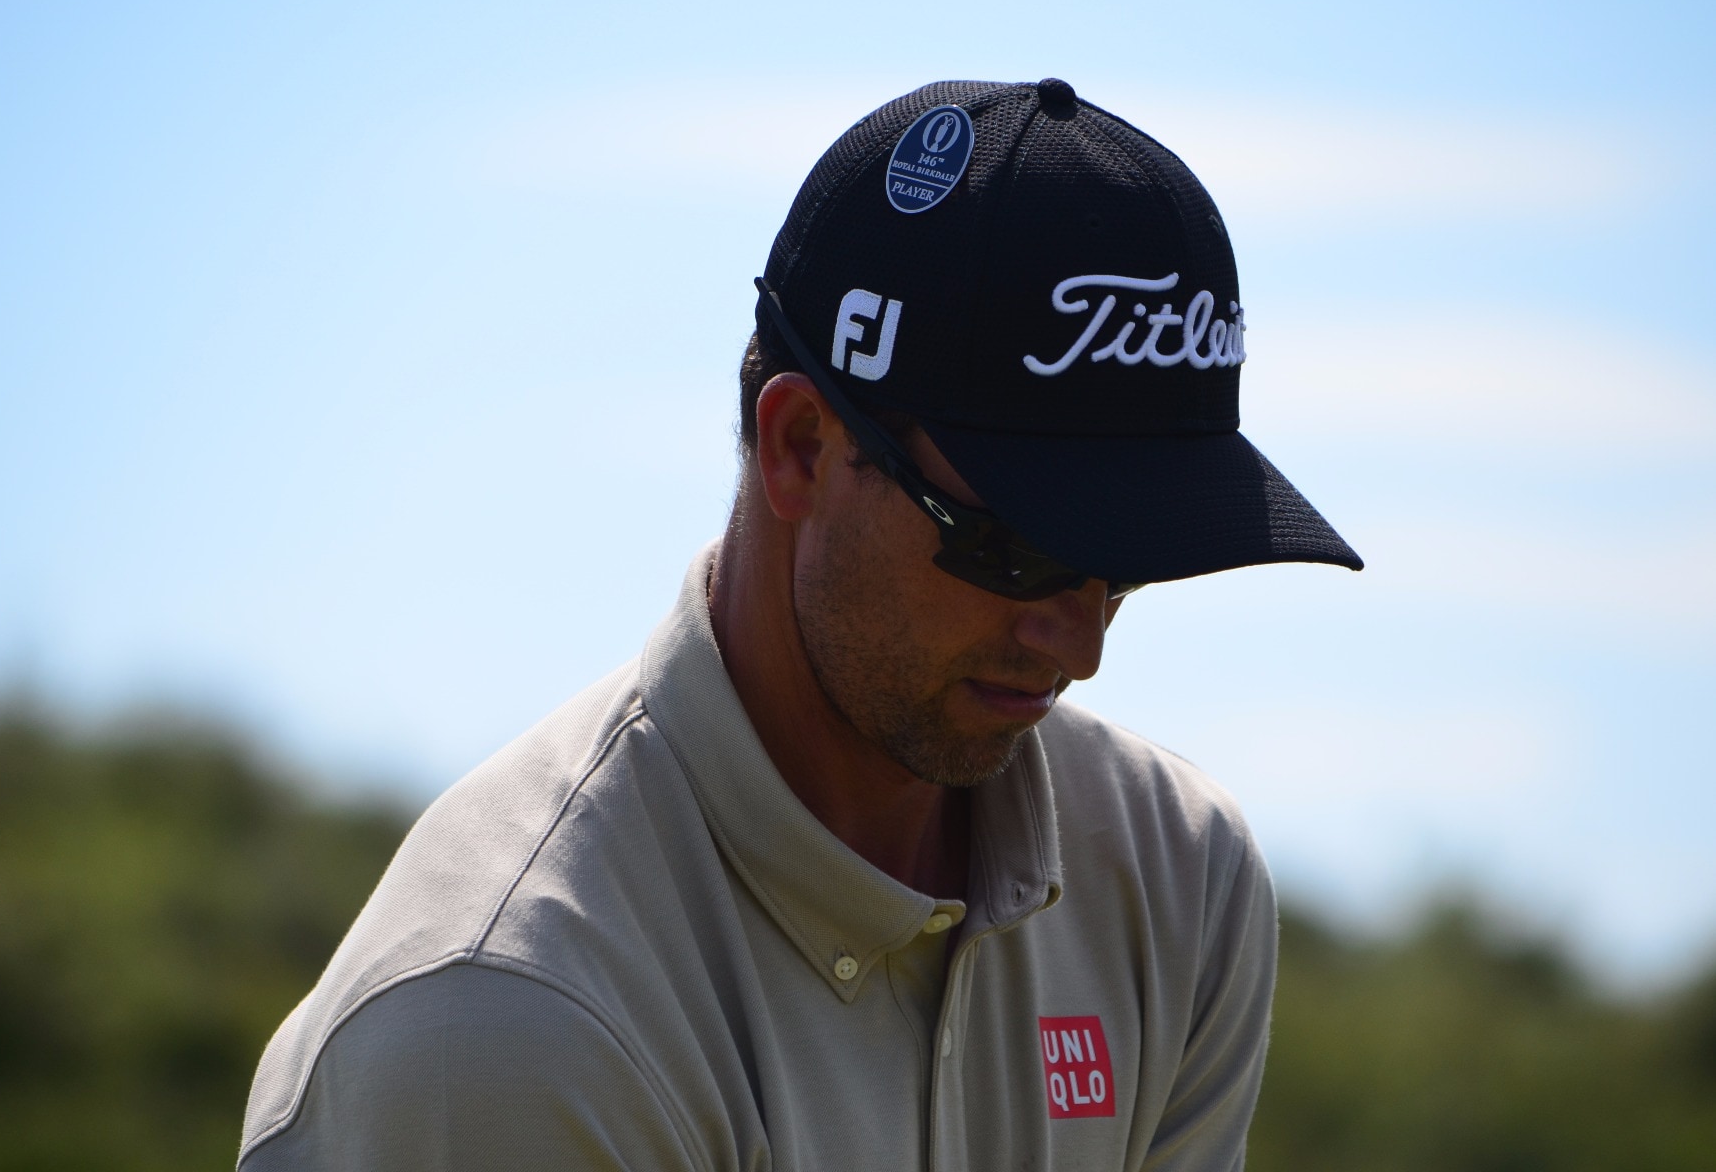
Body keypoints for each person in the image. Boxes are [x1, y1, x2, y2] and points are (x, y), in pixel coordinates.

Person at [238, 77, 1361, 1171]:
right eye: (1017, 551)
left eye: (1127, 566)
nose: (1080, 647)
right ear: (801, 449)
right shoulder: (509, 1028)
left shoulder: (1174, 877)